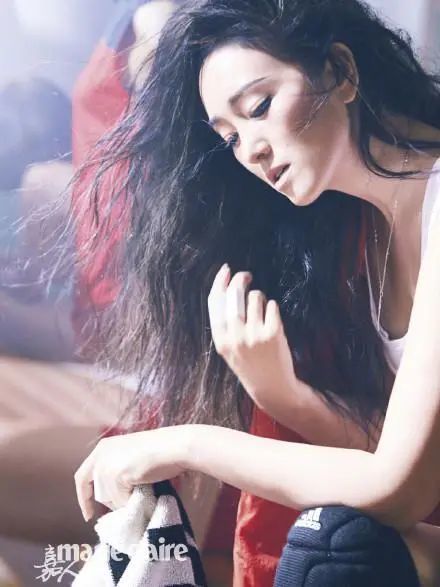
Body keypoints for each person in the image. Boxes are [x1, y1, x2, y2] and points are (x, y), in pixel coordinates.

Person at [72, 0, 440, 585]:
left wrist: (183, 444)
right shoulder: (365, 233)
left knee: (337, 551)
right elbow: (403, 456)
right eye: (229, 138)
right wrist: (281, 393)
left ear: (341, 71)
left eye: (259, 108)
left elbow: (401, 489)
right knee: (337, 546)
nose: (251, 150)